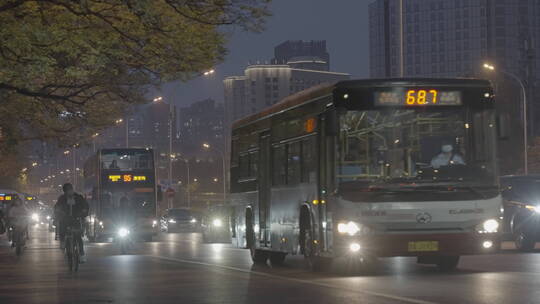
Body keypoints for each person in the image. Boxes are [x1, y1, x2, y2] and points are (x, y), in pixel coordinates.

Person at [54, 183, 89, 263]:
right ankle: (63, 242)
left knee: (78, 237)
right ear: (65, 191)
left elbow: (85, 205)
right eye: (68, 190)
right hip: (65, 219)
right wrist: (58, 213)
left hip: (76, 219)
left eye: (71, 189)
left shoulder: (79, 197)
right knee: (62, 228)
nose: (70, 191)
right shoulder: (62, 199)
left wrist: (84, 211)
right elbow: (57, 207)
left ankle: (81, 254)